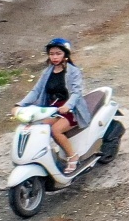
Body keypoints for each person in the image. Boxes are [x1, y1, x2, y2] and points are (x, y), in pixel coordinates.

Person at [18, 39, 90, 172]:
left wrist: (68, 105)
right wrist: (20, 105)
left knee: (55, 130)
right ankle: (39, 155)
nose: (55, 57)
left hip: (71, 109)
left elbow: (76, 92)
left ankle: (72, 157)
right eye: (51, 54)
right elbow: (36, 91)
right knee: (37, 125)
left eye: (58, 53)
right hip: (52, 108)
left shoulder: (73, 71)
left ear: (65, 54)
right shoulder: (47, 72)